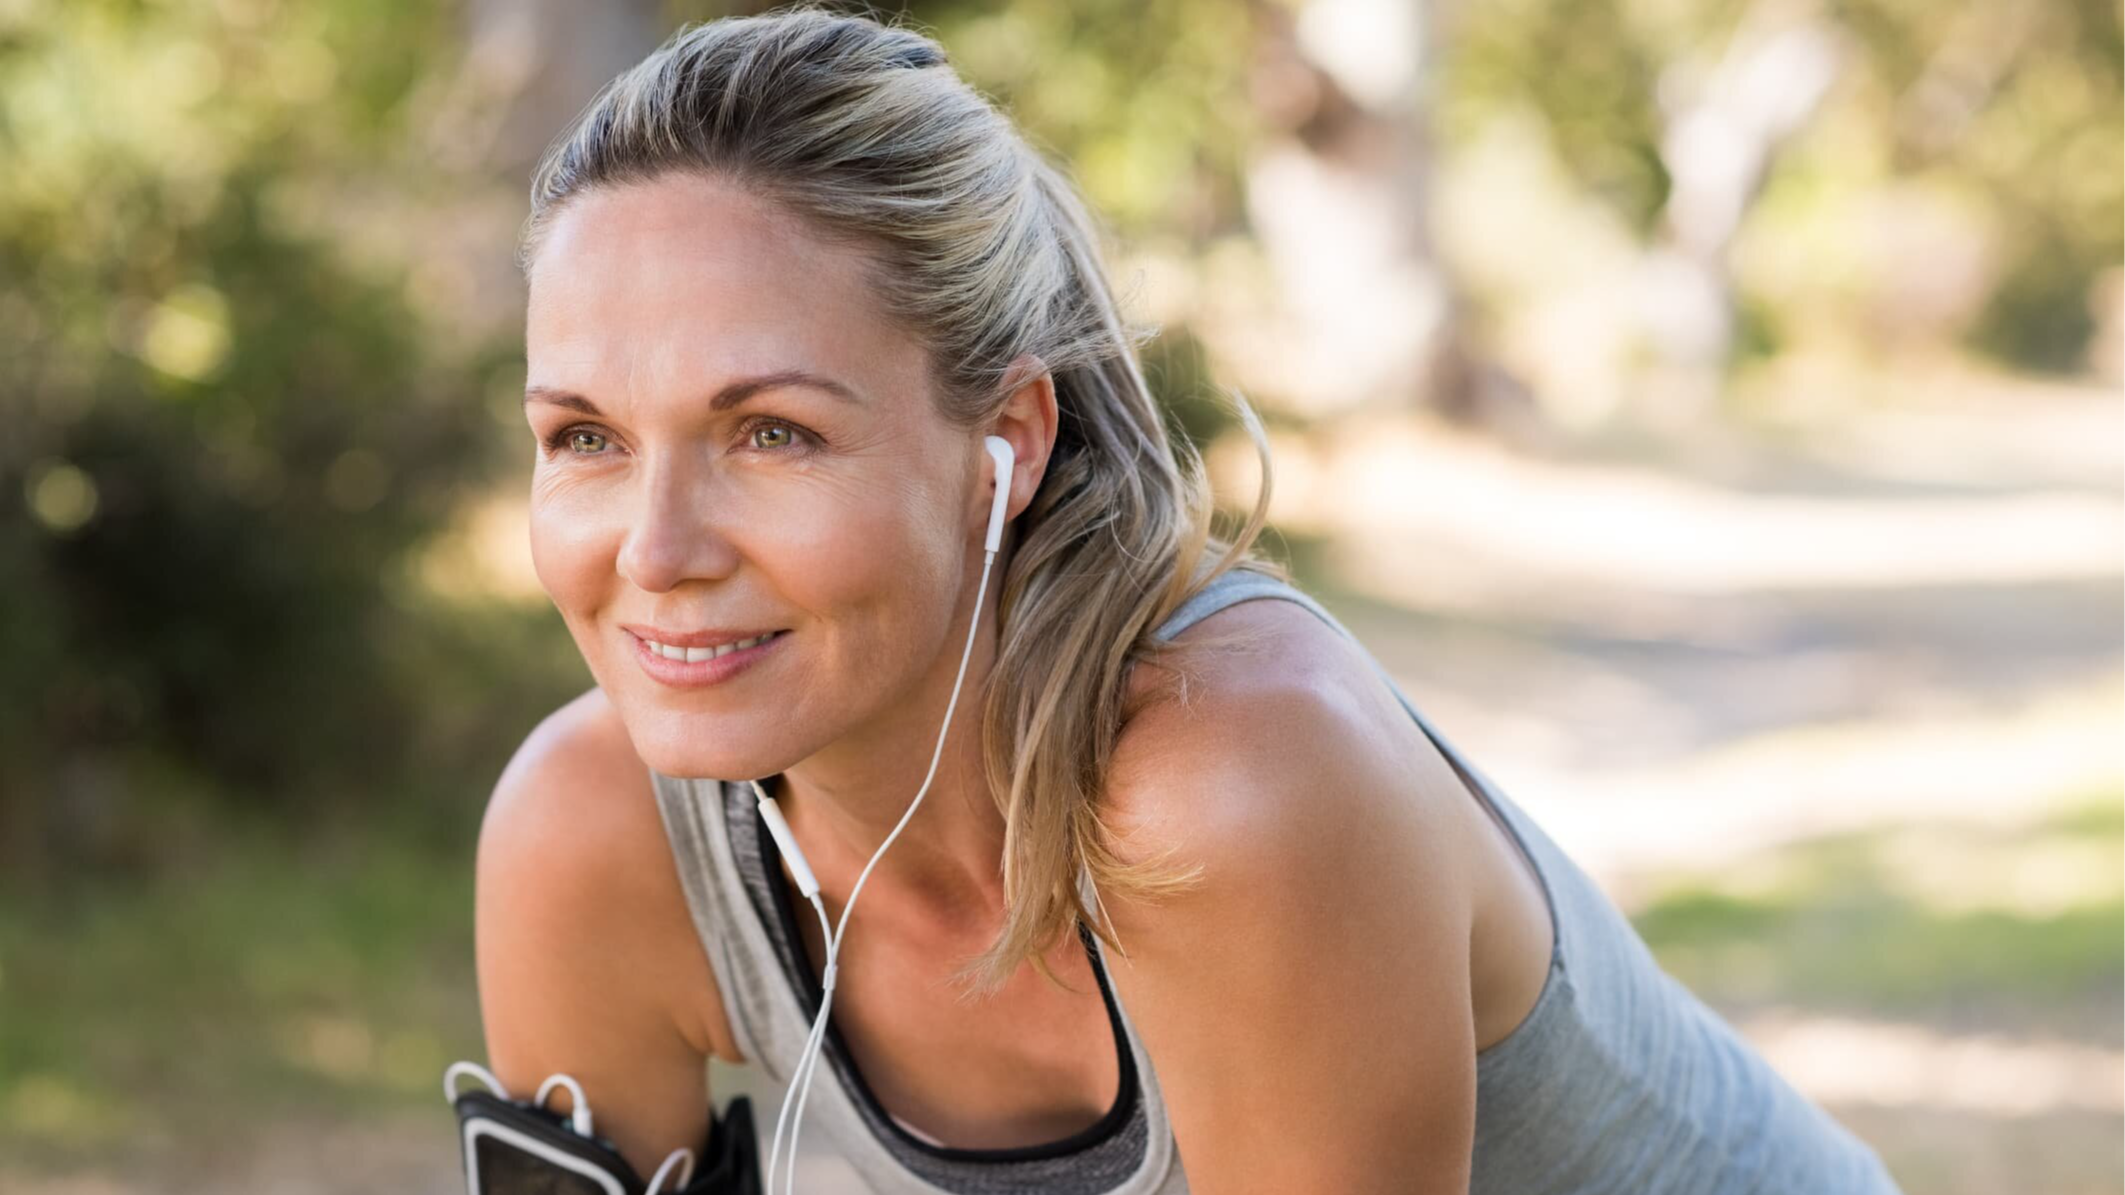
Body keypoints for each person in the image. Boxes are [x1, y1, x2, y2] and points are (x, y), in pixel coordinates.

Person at [473, 7, 1904, 1193]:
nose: (653, 549)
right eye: (585, 437)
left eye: (771, 432)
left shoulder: (1229, 782)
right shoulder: (592, 839)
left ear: (1009, 443)